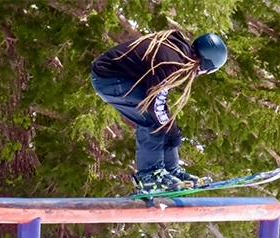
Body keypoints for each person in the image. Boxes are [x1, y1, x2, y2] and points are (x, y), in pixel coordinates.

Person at [91, 30, 227, 193]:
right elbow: (154, 106)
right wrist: (172, 130)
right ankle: (149, 175)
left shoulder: (177, 54)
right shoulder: (172, 62)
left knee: (162, 120)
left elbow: (159, 104)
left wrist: (171, 130)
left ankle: (170, 170)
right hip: (110, 78)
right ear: (206, 64)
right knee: (152, 120)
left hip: (114, 77)